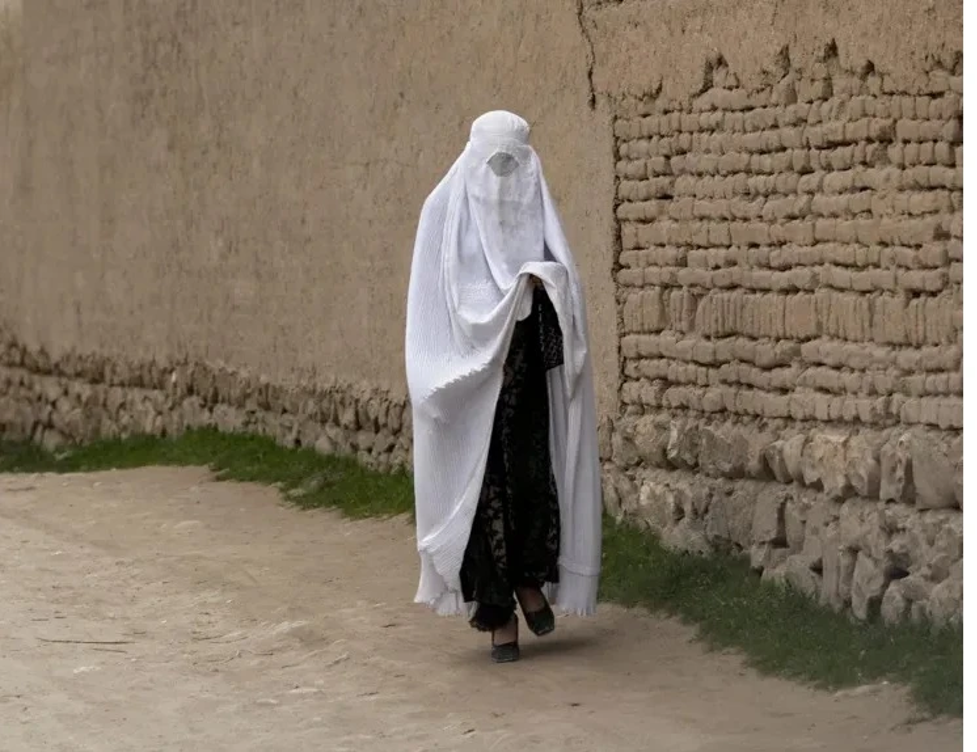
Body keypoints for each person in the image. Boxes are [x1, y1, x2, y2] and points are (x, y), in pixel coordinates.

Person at [405, 111, 602, 663]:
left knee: (529, 477)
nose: (503, 182)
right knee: (481, 488)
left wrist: (545, 283)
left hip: (523, 375)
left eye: (513, 167)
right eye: (493, 166)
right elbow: (427, 314)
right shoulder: (441, 214)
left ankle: (528, 580)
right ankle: (498, 611)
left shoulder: (535, 204)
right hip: (464, 387)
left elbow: (566, 287)